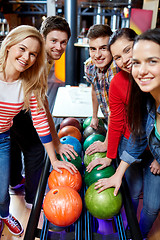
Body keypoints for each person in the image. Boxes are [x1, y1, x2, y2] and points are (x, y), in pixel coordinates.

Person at [0, 25, 77, 236]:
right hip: (12, 128)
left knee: (2, 192)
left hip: (4, 136)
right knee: (28, 156)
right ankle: (21, 202)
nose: (26, 57)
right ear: (9, 46)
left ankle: (7, 209)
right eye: (22, 49)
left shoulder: (30, 79)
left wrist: (54, 157)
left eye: (33, 54)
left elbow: (42, 117)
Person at [93, 28, 160, 239]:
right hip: (133, 143)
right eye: (118, 57)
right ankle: (127, 228)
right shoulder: (143, 94)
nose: (126, 61)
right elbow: (135, 132)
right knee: (131, 191)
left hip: (153, 152)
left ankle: (138, 233)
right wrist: (113, 161)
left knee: (152, 204)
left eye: (152, 61)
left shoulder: (148, 87)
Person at [84, 24, 120, 151]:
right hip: (110, 120)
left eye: (103, 48)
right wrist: (94, 116)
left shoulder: (116, 70)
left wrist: (106, 144)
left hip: (126, 125)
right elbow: (94, 89)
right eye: (93, 49)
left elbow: (115, 113)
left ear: (111, 48)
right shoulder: (90, 66)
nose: (97, 55)